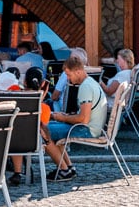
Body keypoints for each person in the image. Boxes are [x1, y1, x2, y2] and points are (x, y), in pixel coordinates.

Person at [42, 52, 108, 180]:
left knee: (43, 131)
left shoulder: (86, 87)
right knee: (50, 125)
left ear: (77, 71)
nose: (68, 78)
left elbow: (83, 119)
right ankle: (68, 168)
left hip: (87, 130)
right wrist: (64, 117)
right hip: (93, 127)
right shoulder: (90, 83)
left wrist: (61, 117)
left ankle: (64, 169)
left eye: (68, 74)